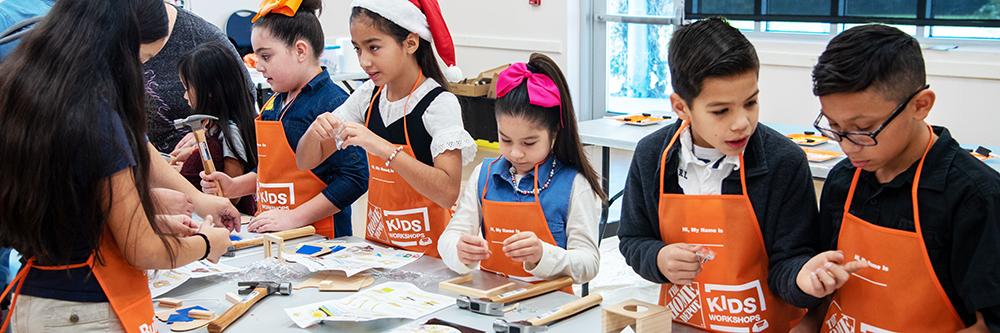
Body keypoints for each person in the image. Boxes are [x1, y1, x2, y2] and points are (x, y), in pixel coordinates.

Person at [617, 18, 862, 332]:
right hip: (682, 322)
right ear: (681, 107)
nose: (742, 123)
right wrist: (658, 258)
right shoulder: (653, 156)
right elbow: (633, 238)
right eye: (721, 110)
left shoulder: (784, 162)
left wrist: (804, 276)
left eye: (751, 102)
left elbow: (792, 259)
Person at [0, 0, 232, 331]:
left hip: (36, 298)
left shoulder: (27, 92)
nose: (139, 73)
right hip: (83, 311)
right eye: (142, 60)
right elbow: (142, 249)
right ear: (118, 46)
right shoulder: (96, 117)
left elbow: (71, 204)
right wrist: (208, 243)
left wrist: (148, 216)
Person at [811, 24, 1000, 332]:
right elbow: (822, 286)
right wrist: (806, 325)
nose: (846, 145)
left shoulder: (975, 197)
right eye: (834, 127)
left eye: (863, 129)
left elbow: (989, 324)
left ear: (920, 105)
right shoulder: (843, 180)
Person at [297, 0, 476, 258]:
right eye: (358, 49)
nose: (364, 61)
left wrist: (383, 148)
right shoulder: (367, 96)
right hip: (379, 251)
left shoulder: (439, 104)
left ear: (410, 43)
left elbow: (447, 193)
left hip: (430, 254)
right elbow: (306, 161)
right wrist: (315, 132)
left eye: (374, 47)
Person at [201, 0, 368, 239]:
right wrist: (235, 185)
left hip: (321, 240)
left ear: (300, 51)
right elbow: (273, 169)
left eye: (266, 56)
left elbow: (355, 178)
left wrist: (295, 217)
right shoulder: (274, 101)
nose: (258, 66)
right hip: (274, 233)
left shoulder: (333, 104)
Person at [438, 54, 604, 291]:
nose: (515, 153)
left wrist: (542, 255)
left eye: (529, 143)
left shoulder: (574, 185)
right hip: (491, 303)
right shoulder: (484, 175)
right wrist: (459, 250)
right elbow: (450, 237)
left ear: (554, 131)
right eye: (505, 139)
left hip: (550, 311)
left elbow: (589, 263)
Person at [146, 1, 254, 153]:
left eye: (187, 88)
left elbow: (243, 100)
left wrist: (201, 143)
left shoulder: (202, 35)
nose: (185, 96)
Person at [173, 41, 258, 215]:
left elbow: (233, 196)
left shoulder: (231, 132)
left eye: (187, 88)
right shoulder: (210, 125)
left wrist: (183, 171)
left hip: (233, 218)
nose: (184, 95)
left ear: (209, 90)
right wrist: (190, 154)